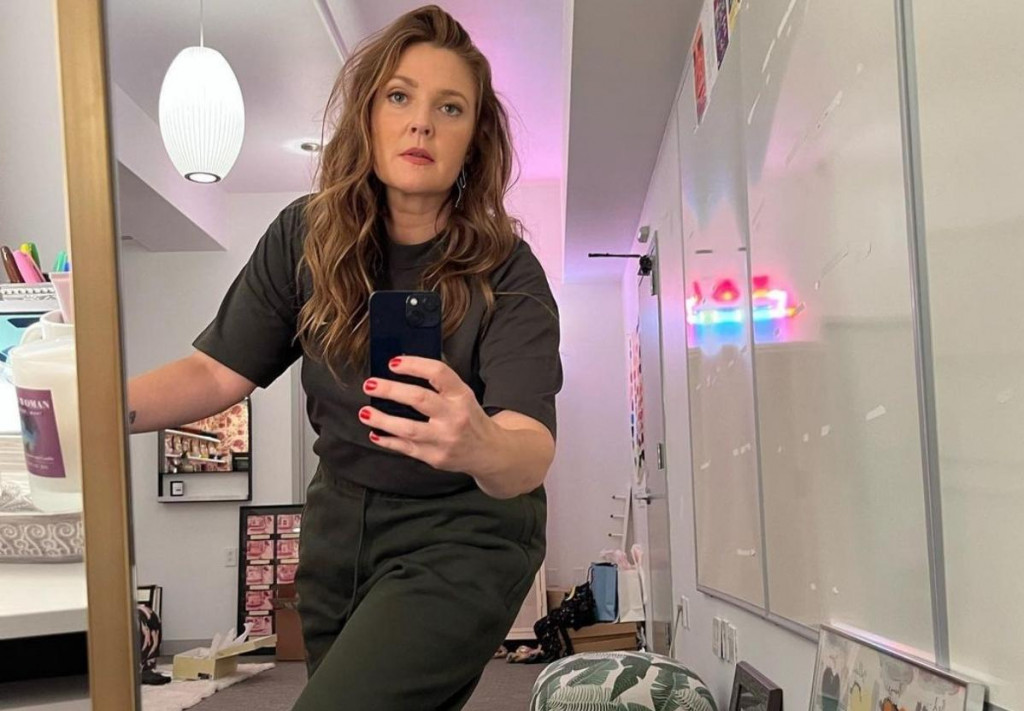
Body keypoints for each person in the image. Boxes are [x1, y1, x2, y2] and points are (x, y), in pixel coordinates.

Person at [127, 5, 561, 709]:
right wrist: (96, 407)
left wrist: (481, 443)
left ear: (474, 140)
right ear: (367, 115)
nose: (421, 123)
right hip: (338, 527)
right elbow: (215, 370)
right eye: (400, 96)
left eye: (449, 107)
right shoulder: (305, 236)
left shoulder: (508, 270)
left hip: (464, 530)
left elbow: (530, 448)